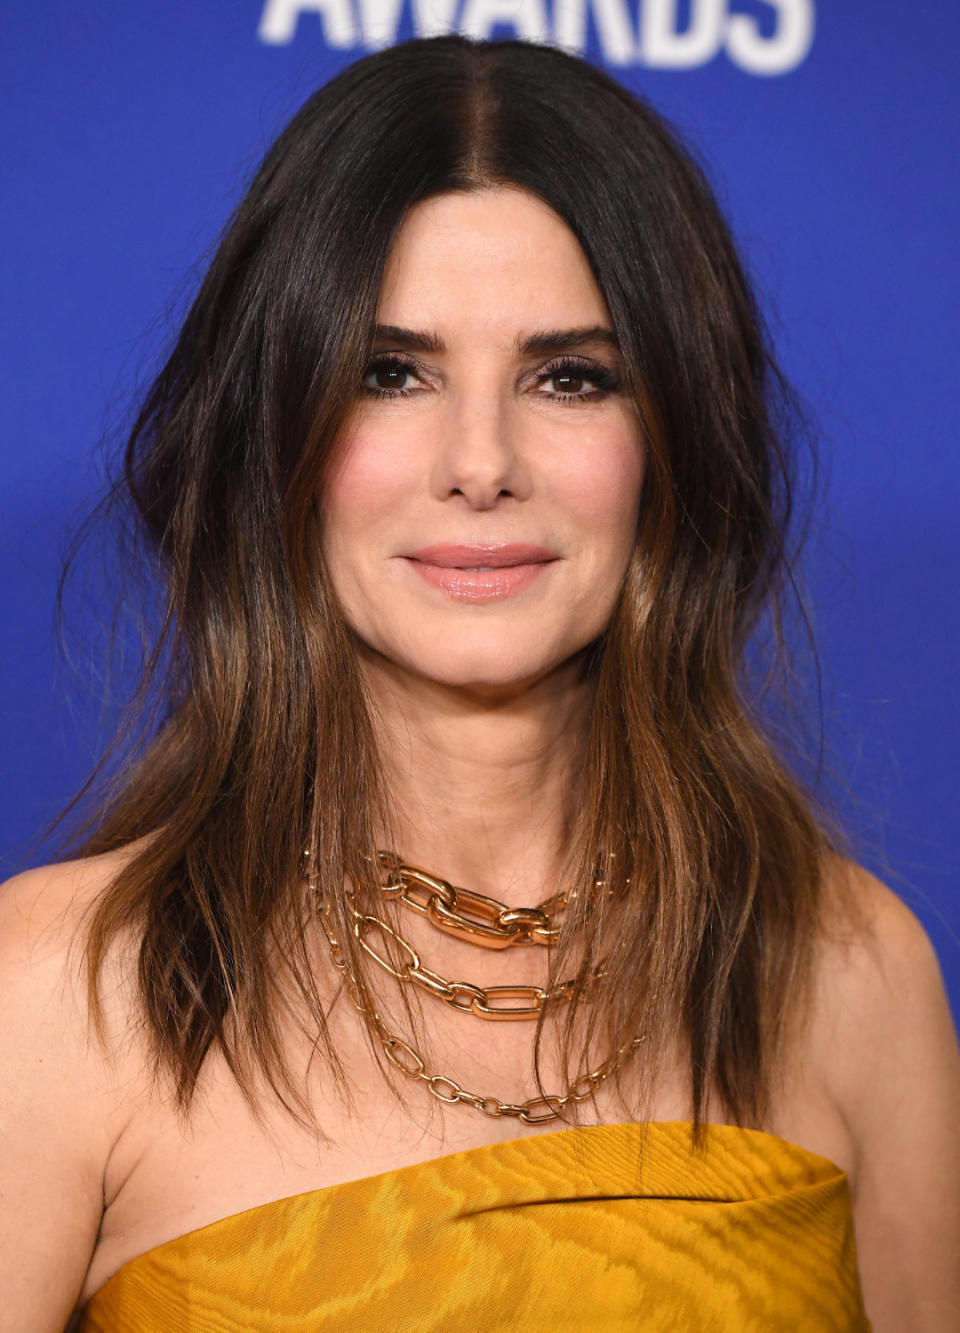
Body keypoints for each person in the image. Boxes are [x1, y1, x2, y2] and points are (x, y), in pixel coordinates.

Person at [1, 34, 957, 1333]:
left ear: (674, 438)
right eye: (389, 372)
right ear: (273, 424)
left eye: (570, 375)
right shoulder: (60, 993)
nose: (480, 460)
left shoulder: (849, 970)